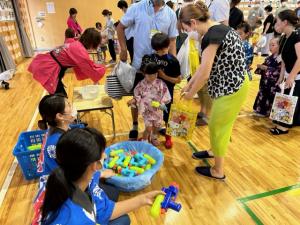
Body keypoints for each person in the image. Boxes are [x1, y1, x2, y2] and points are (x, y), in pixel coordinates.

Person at [179, 1, 249, 179]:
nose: (188, 33)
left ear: (193, 23)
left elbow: (204, 73)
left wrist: (189, 94)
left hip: (233, 88)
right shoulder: (217, 29)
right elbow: (202, 68)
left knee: (219, 127)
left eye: (187, 29)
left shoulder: (212, 36)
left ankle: (218, 170)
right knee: (216, 125)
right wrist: (188, 85)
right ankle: (212, 151)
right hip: (228, 87)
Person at [34, 128, 162, 225]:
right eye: (102, 153)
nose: (106, 156)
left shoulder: (71, 177)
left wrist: (144, 199)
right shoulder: (76, 218)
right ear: (93, 165)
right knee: (122, 219)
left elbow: (105, 210)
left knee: (113, 194)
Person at [116, 0, 178, 140]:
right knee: (137, 96)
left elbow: (172, 40)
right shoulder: (136, 8)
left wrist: (173, 62)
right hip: (140, 65)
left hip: (161, 67)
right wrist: (124, 49)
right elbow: (120, 27)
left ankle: (159, 126)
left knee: (161, 97)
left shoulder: (170, 14)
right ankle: (135, 125)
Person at [28, 28, 106, 97]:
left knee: (59, 95)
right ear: (91, 43)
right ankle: (58, 112)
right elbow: (90, 68)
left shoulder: (76, 43)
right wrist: (100, 73)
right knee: (59, 97)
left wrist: (95, 79)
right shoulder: (80, 50)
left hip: (45, 62)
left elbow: (85, 66)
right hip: (48, 67)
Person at [144, 33, 182, 148]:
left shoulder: (173, 61)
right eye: (159, 50)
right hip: (152, 94)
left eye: (164, 49)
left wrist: (164, 76)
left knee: (168, 116)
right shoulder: (150, 58)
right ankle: (150, 135)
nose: (162, 52)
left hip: (167, 95)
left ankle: (168, 137)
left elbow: (178, 80)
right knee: (152, 115)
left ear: (168, 45)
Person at [270, 10, 300, 135]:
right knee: (286, 97)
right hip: (289, 73)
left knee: (290, 99)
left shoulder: (297, 36)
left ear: (285, 22)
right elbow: (284, 59)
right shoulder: (284, 38)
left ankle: (284, 126)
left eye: (277, 21)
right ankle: (282, 122)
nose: (276, 23)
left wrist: (291, 76)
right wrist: (282, 76)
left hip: (297, 75)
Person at [128, 62, 171, 145]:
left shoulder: (160, 83)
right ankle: (144, 141)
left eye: (153, 75)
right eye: (148, 76)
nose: (151, 78)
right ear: (145, 74)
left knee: (157, 126)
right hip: (147, 110)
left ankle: (154, 137)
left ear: (156, 74)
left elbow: (166, 95)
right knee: (148, 128)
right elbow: (137, 95)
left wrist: (162, 103)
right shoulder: (141, 84)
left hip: (158, 110)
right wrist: (134, 100)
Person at [253, 38, 281, 117]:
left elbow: (278, 71)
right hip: (265, 82)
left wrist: (266, 68)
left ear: (280, 46)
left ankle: (265, 112)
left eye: (273, 45)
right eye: (269, 45)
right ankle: (259, 109)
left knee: (269, 96)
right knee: (262, 93)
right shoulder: (270, 57)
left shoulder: (280, 59)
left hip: (273, 84)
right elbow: (265, 66)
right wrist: (260, 67)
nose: (270, 47)